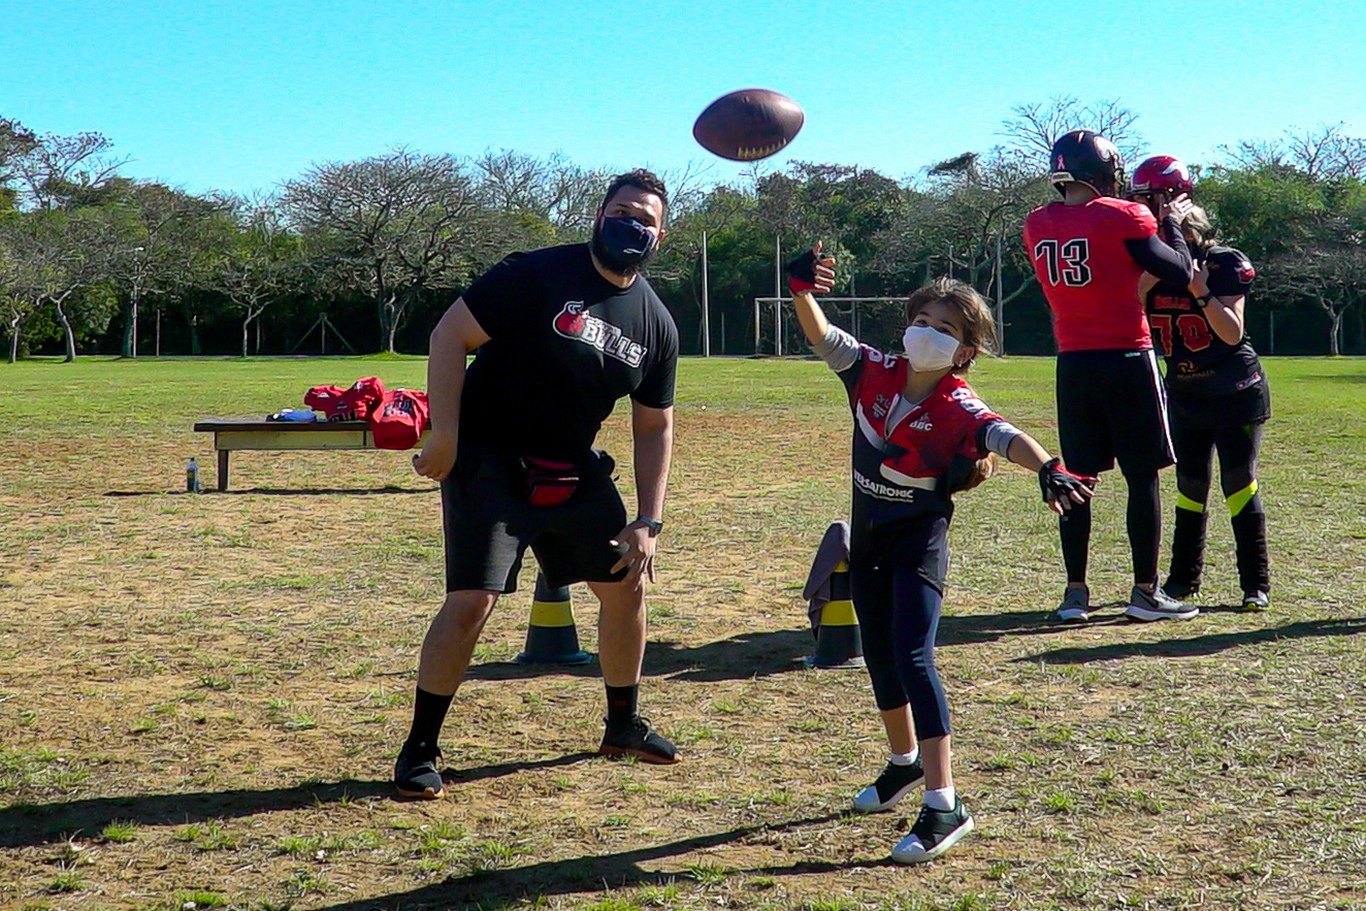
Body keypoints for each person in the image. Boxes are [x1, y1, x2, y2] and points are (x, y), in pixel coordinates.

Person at [787, 246, 1095, 864]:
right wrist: (800, 290)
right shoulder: (871, 371)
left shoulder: (958, 403)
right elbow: (822, 334)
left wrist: (1048, 466)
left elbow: (1002, 435)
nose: (929, 333)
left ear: (965, 352)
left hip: (918, 543)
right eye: (923, 320)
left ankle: (944, 802)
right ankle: (903, 765)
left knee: (913, 655)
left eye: (947, 329)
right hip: (869, 539)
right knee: (876, 650)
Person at [395, 169, 681, 799]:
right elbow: (450, 335)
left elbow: (654, 427)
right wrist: (445, 434)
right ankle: (420, 749)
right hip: (489, 461)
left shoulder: (656, 324)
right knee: (472, 601)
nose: (632, 225)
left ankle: (622, 725)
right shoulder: (535, 273)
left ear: (661, 235)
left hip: (572, 466)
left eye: (646, 219)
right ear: (600, 214)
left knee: (625, 585)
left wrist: (648, 520)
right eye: (623, 211)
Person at [1023, 130, 1198, 623]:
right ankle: (1145, 591)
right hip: (1126, 355)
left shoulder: (1035, 223)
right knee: (1142, 476)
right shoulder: (1126, 215)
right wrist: (1172, 222)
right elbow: (1179, 270)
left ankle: (1075, 592)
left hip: (1073, 361)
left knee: (1078, 478)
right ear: (1102, 169)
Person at [1130, 155, 1271, 611]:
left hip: (1235, 391)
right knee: (1190, 487)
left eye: (1162, 208)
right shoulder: (1147, 267)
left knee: (1238, 482)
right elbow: (1130, 301)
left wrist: (1197, 287)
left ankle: (1255, 583)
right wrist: (1162, 268)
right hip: (1186, 394)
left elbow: (1231, 332)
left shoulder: (1223, 262)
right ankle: (1182, 583)